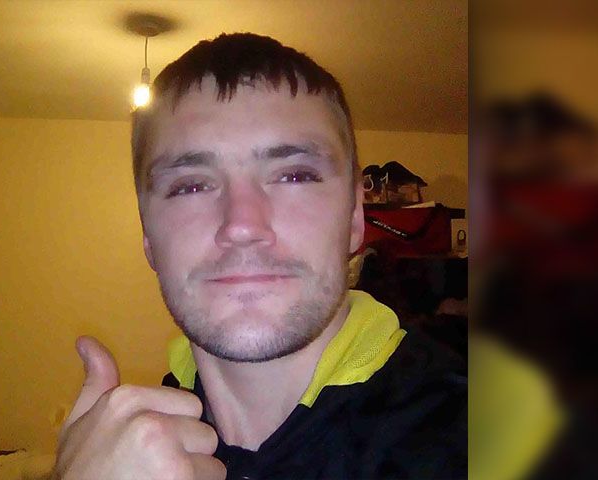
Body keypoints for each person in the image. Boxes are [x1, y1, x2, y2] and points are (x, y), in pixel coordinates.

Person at [53, 33, 466, 480]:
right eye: (191, 185)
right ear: (148, 234)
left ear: (354, 217)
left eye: (294, 176)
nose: (242, 226)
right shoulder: (135, 452)